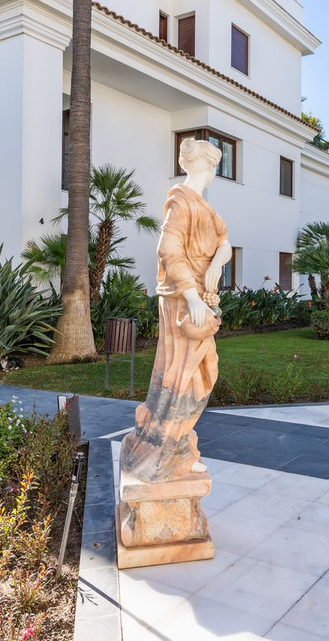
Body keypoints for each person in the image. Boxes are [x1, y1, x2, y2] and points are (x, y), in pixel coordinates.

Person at [120, 138, 233, 482]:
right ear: (207, 167)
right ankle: (164, 450)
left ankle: (178, 443)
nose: (214, 173)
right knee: (180, 376)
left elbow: (225, 242)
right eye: (214, 167)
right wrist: (192, 296)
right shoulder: (180, 201)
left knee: (204, 372)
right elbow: (168, 249)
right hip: (184, 302)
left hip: (200, 297)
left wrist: (217, 263)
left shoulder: (205, 208)